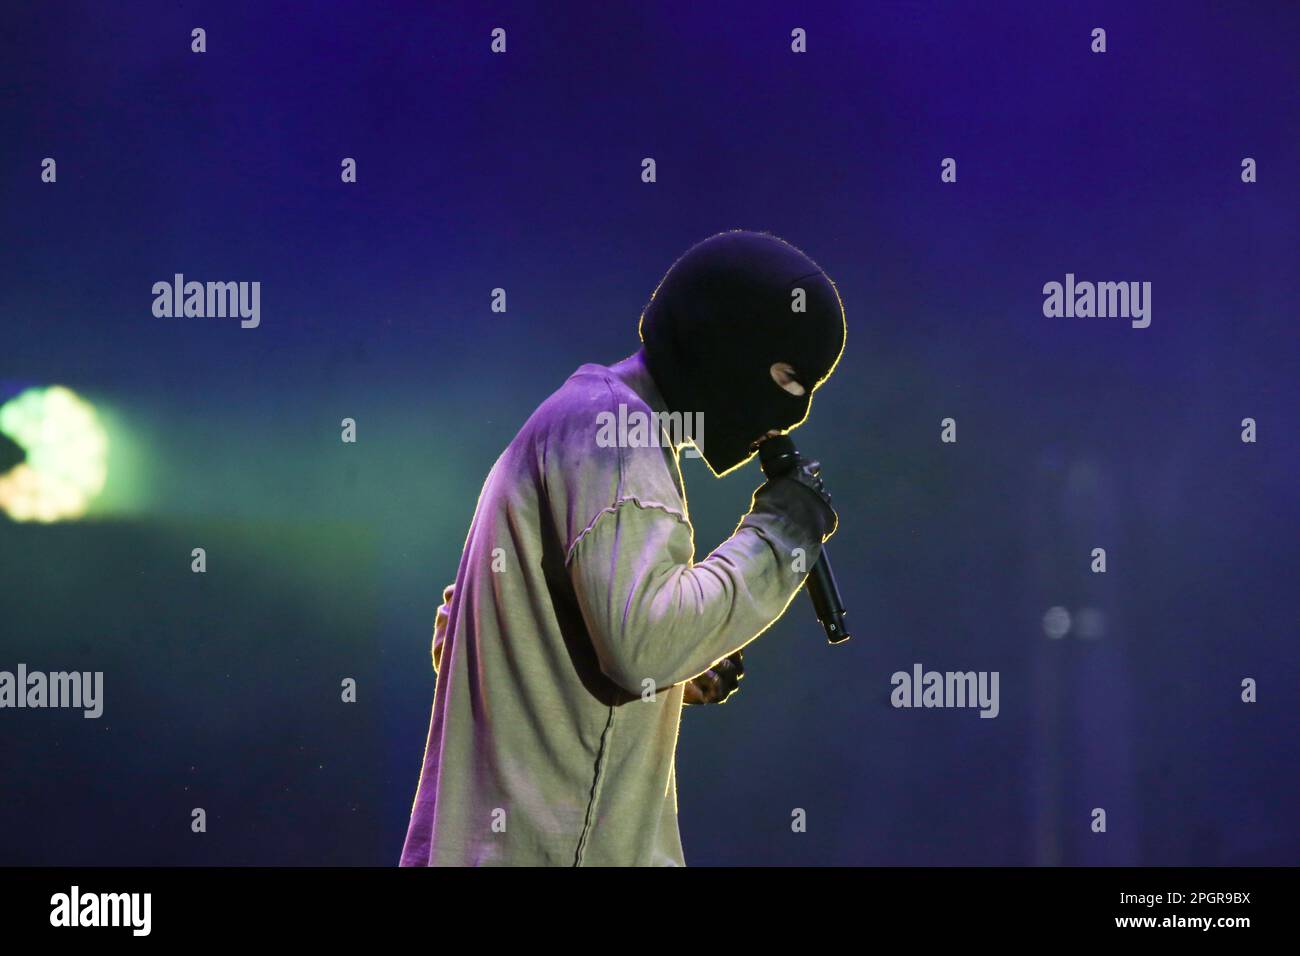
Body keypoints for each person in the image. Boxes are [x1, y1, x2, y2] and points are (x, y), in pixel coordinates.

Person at [400, 229, 846, 866]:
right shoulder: (620, 438)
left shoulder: (584, 419)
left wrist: (670, 678)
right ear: (724, 337)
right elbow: (640, 644)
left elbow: (476, 634)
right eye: (787, 378)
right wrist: (781, 538)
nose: (790, 416)